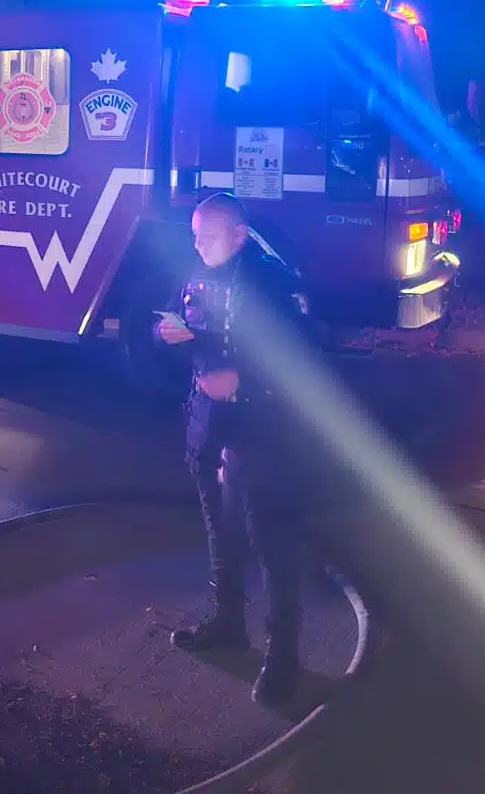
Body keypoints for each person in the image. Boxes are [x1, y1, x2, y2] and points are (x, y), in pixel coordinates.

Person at [156, 192, 310, 705]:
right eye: (194, 235)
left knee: (270, 542)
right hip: (206, 424)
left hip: (262, 429)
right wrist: (167, 337)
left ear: (240, 235)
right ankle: (227, 623)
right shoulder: (195, 271)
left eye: (208, 235)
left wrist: (242, 379)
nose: (197, 244)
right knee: (219, 529)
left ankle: (283, 658)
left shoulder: (272, 283)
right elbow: (188, 331)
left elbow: (300, 356)